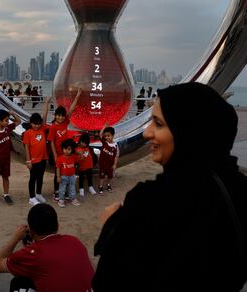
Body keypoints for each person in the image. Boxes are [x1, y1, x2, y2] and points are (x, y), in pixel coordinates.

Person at [93, 82, 247, 292]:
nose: (147, 133)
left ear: (188, 131)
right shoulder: (238, 188)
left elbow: (108, 281)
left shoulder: (150, 202)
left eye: (158, 123)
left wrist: (113, 225)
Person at [0, 203, 94, 292]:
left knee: (19, 283)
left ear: (31, 232)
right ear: (58, 225)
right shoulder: (74, 241)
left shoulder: (34, 254)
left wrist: (15, 238)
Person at [48, 88, 81, 200]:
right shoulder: (53, 127)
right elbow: (51, 142)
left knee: (66, 173)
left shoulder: (65, 122)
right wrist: (55, 155)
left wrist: (77, 96)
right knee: (58, 173)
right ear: (55, 115)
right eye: (59, 115)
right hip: (57, 154)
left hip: (66, 153)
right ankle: (56, 192)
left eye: (62, 116)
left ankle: (65, 191)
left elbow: (71, 110)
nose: (61, 117)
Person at [0, 109, 21, 207]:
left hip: (6, 160)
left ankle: (6, 195)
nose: (8, 122)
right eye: (6, 120)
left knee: (6, 177)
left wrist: (13, 114)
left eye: (8, 120)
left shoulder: (8, 129)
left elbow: (19, 121)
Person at [23, 97, 51, 206]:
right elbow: (26, 147)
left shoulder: (42, 129)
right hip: (34, 160)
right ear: (31, 123)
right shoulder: (28, 133)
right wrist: (28, 161)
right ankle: (32, 197)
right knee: (33, 178)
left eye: (38, 123)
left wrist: (47, 103)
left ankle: (38, 193)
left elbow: (45, 115)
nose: (37, 125)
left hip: (43, 158)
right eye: (34, 124)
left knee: (40, 177)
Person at [56, 138, 80, 208]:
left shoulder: (73, 157)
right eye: (65, 149)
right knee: (62, 189)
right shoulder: (60, 158)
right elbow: (58, 168)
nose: (66, 151)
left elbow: (81, 159)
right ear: (62, 149)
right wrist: (58, 176)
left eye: (69, 149)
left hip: (72, 176)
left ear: (72, 150)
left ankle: (73, 199)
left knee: (72, 188)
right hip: (63, 177)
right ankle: (61, 200)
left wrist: (79, 153)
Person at [97, 124, 118, 194]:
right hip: (103, 164)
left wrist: (115, 164)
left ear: (113, 135)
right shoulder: (104, 142)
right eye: (105, 136)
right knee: (102, 176)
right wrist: (104, 127)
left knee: (110, 176)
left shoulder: (115, 146)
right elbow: (100, 134)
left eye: (108, 136)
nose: (106, 137)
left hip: (110, 165)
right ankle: (100, 187)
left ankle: (108, 185)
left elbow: (116, 156)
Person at [76, 132, 97, 197]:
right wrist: (82, 155)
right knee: (81, 178)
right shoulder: (77, 149)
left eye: (86, 143)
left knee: (89, 177)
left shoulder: (88, 147)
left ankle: (90, 187)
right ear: (80, 141)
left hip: (89, 165)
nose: (84, 144)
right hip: (81, 167)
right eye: (83, 142)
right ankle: (81, 189)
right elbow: (80, 159)